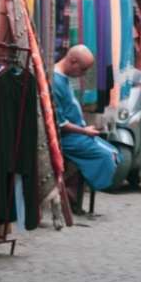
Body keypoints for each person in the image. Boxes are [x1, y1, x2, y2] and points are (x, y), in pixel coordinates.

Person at [52, 45, 122, 191]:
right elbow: (59, 123)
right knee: (108, 157)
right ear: (73, 61)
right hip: (68, 138)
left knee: (114, 153)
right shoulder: (56, 82)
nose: (83, 74)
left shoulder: (62, 78)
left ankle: (75, 190)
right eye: (82, 69)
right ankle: (73, 191)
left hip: (78, 133)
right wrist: (84, 131)